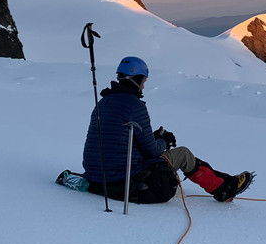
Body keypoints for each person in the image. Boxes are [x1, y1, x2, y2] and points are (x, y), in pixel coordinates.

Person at [81, 56, 253, 204]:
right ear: (138, 79)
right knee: (184, 155)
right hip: (126, 179)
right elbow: (152, 150)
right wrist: (164, 141)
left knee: (175, 155)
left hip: (96, 177)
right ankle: (224, 189)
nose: (143, 87)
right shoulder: (135, 106)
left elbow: (119, 138)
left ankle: (226, 182)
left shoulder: (102, 103)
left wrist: (154, 137)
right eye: (143, 82)